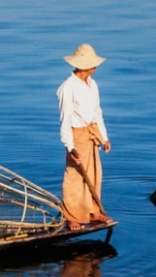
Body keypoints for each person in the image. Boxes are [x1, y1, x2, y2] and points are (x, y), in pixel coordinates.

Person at [57, 44, 115, 230]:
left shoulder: (92, 84)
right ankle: (71, 216)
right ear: (84, 66)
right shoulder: (68, 88)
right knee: (75, 175)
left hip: (91, 133)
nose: (95, 67)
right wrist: (70, 146)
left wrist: (104, 138)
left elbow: (97, 112)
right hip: (77, 135)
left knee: (94, 173)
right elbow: (65, 120)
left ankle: (93, 210)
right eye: (92, 64)